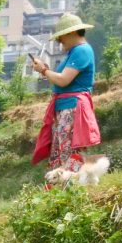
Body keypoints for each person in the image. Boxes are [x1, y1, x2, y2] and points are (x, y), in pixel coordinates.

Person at [31, 13, 101, 176]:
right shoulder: (73, 52)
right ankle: (61, 189)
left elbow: (63, 80)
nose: (59, 41)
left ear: (70, 33)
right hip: (64, 108)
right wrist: (45, 70)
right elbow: (59, 79)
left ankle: (72, 185)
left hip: (72, 108)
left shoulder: (82, 51)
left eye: (60, 37)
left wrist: (43, 70)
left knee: (68, 151)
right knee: (60, 150)